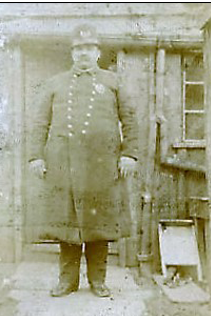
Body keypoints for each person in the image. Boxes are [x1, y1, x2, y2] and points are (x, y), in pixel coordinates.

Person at [28, 24, 137, 297]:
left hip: (102, 167)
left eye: (88, 49)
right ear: (72, 53)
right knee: (67, 225)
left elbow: (131, 120)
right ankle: (67, 281)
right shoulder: (55, 83)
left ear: (97, 52)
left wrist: (129, 154)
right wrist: (35, 156)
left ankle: (98, 281)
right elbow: (40, 123)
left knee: (98, 226)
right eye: (78, 49)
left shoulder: (114, 82)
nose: (83, 54)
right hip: (62, 165)